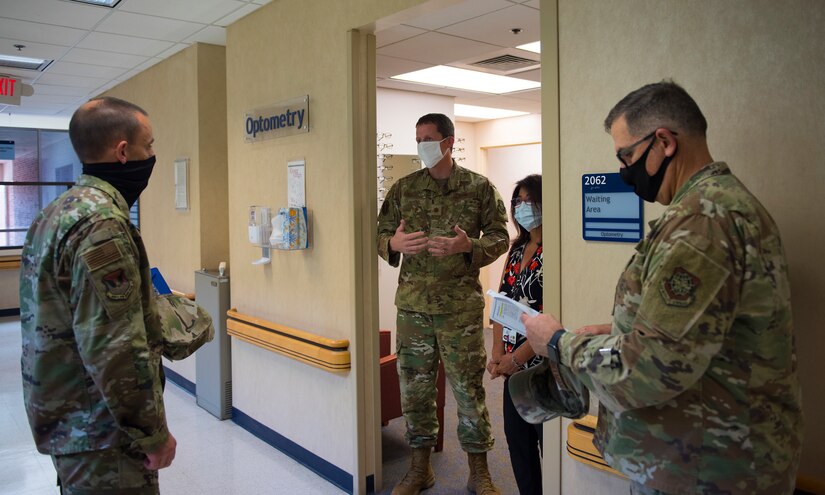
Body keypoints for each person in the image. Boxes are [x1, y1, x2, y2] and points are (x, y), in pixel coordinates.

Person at [520, 81, 803, 494]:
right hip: (706, 459)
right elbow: (693, 336)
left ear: (665, 142)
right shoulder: (715, 207)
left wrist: (557, 342)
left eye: (627, 155)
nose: (623, 170)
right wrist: (620, 332)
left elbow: (649, 368)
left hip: (706, 470)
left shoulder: (702, 223)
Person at [20, 96, 175, 494]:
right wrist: (152, 434)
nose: (152, 155)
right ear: (124, 151)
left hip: (70, 419)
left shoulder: (56, 212)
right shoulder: (102, 224)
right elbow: (115, 348)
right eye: (150, 145)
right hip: (103, 434)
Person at [377, 113, 509, 495]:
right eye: (417, 138)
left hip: (460, 312)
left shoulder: (479, 187)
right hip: (415, 310)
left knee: (469, 392)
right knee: (415, 391)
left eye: (429, 138)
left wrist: (470, 246)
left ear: (449, 142)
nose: (422, 146)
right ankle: (420, 470)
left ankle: (479, 472)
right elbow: (381, 233)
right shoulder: (404, 189)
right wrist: (392, 245)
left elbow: (501, 235)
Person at [487, 174, 544, 495]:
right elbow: (502, 301)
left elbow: (553, 314)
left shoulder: (557, 250)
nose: (523, 207)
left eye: (530, 201)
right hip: (511, 367)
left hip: (542, 367)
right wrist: (497, 353)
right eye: (518, 202)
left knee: (544, 445)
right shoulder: (518, 247)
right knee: (517, 444)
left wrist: (517, 360)